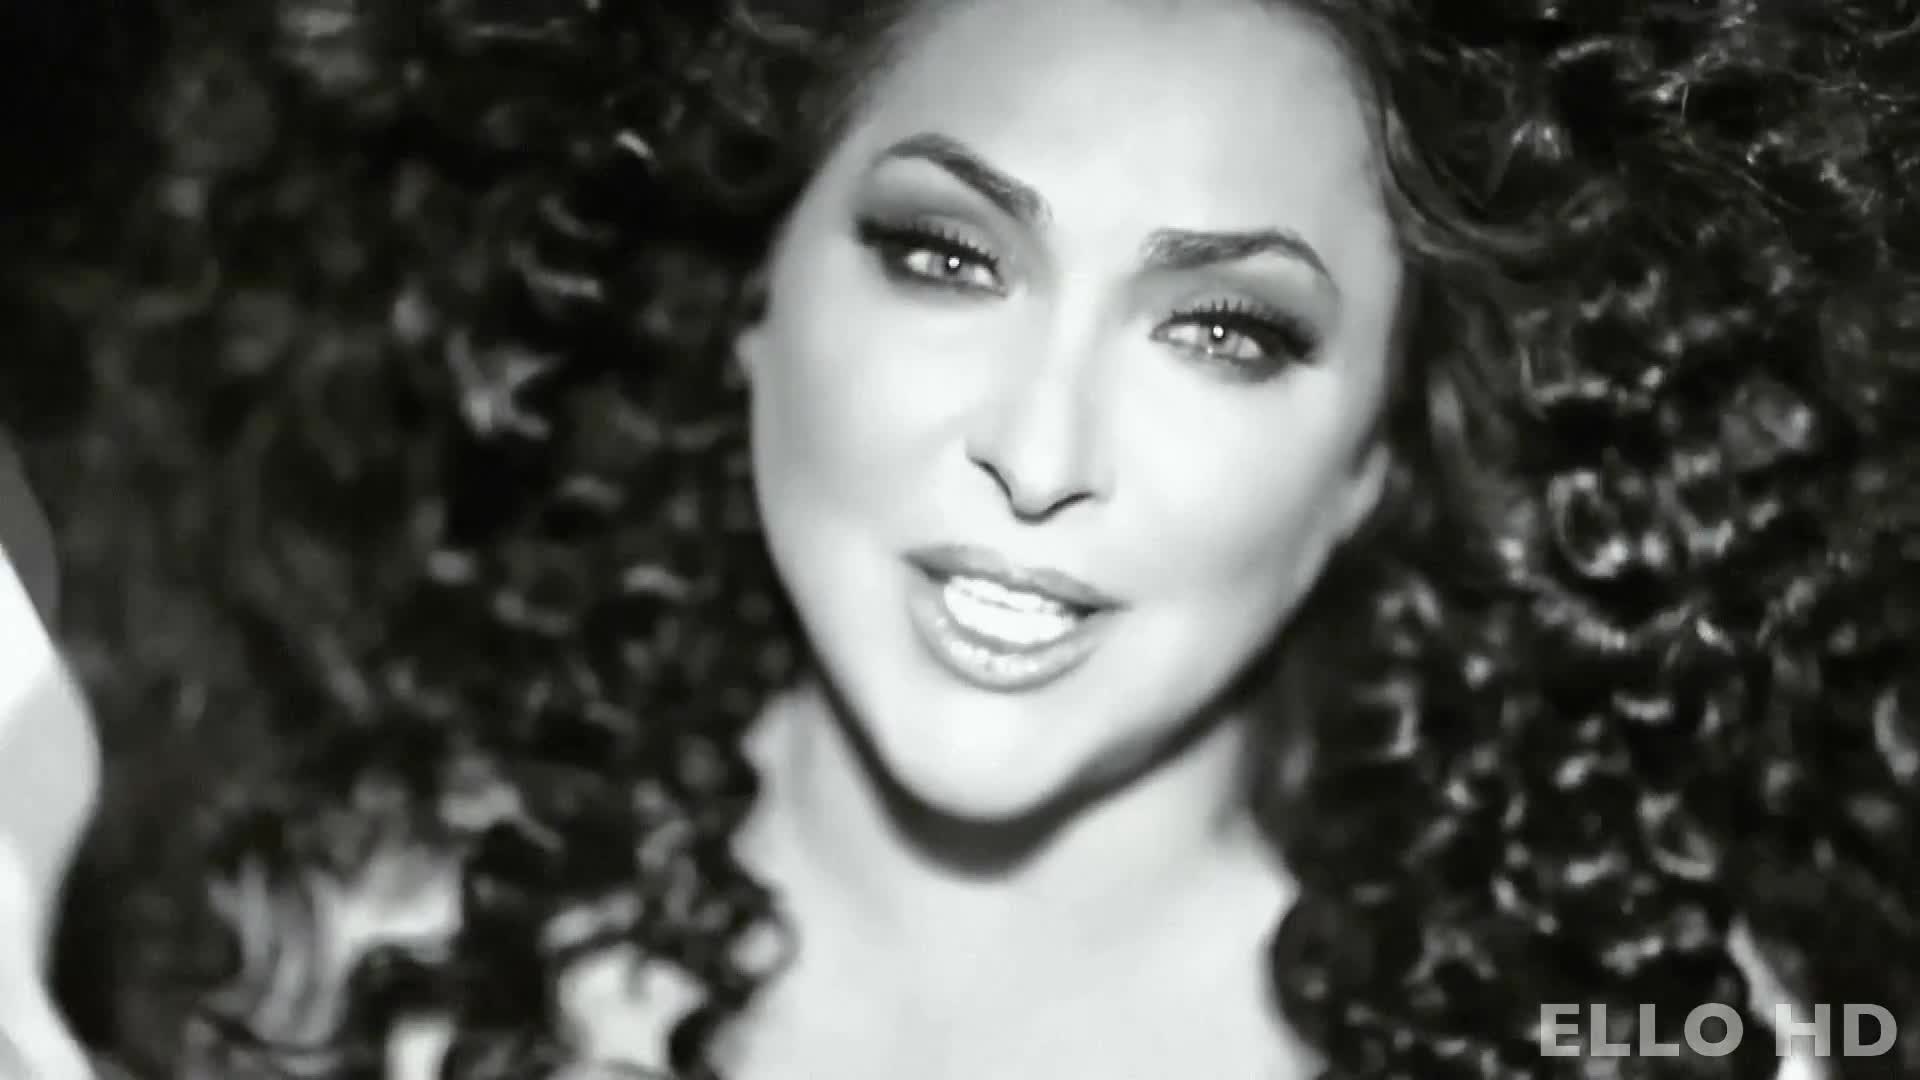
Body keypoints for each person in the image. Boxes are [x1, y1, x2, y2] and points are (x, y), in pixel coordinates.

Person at [32, 0, 1919, 1077]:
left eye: (1225, 331)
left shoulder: (1656, 1043)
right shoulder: (347, 966)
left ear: (1375, 460)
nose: (1036, 451)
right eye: (947, 257)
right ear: (750, 300)